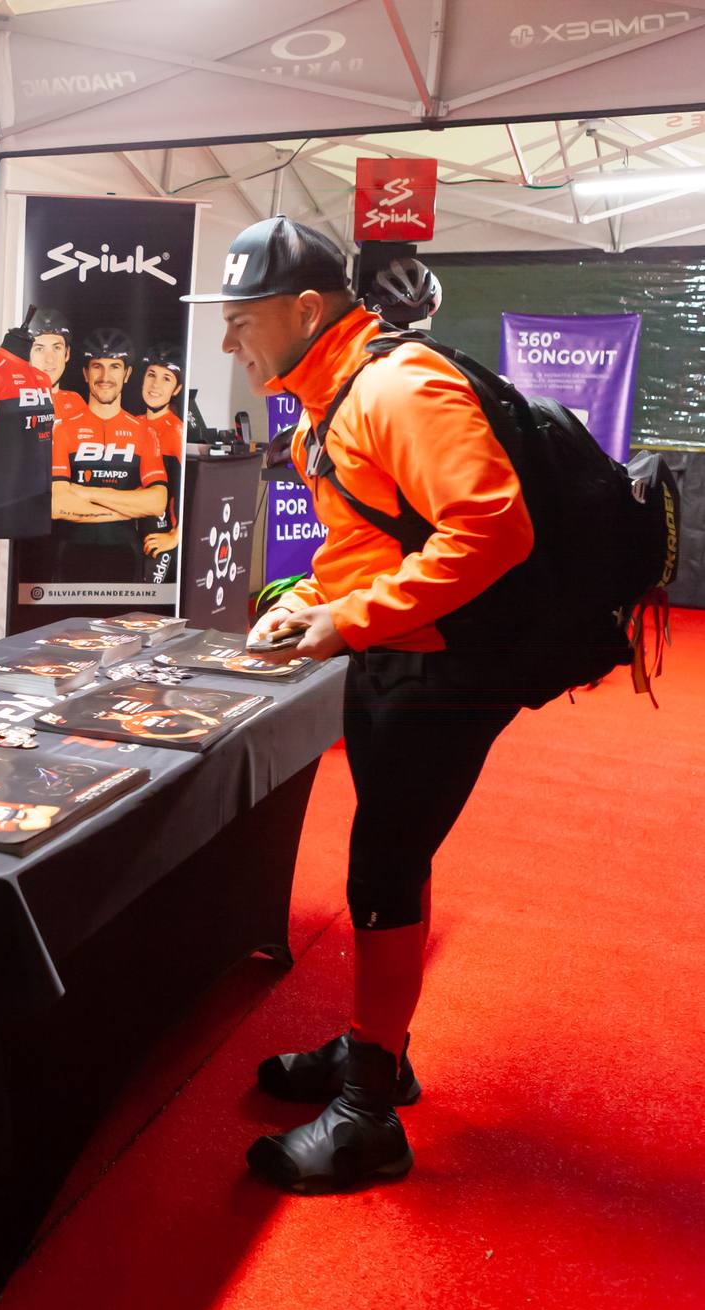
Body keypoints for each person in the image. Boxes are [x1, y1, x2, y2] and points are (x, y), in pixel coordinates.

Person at [185, 215, 532, 1192]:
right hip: (400, 652)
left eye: (242, 319)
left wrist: (352, 619)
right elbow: (368, 537)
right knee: (388, 862)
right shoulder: (334, 393)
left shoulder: (396, 385)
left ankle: (371, 1115)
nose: (227, 343)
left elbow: (492, 529)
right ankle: (376, 1047)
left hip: (443, 666)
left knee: (383, 865)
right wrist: (308, 599)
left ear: (305, 309)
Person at [47, 328, 168, 583]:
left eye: (114, 367)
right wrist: (129, 508)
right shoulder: (62, 429)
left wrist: (85, 492)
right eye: (97, 366)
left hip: (125, 555)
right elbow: (57, 505)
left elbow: (157, 501)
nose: (105, 376)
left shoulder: (145, 431)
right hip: (71, 553)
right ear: (85, 373)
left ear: (127, 374)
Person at [138, 345, 186, 580]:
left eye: (166, 379)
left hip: (160, 534)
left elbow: (193, 491)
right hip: (133, 530)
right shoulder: (132, 424)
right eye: (151, 375)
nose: (155, 385)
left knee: (151, 608)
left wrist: (175, 536)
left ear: (176, 389)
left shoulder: (176, 431)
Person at [27, 308, 86, 422]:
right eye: (39, 349)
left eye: (56, 348)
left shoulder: (76, 403)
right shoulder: (12, 402)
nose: (49, 359)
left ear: (67, 353)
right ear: (27, 355)